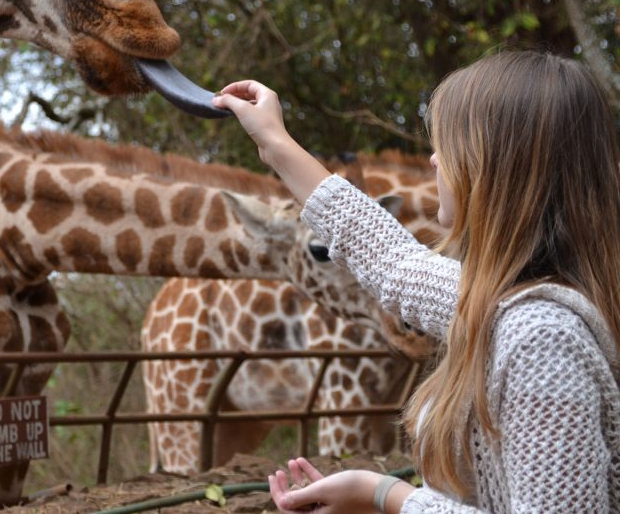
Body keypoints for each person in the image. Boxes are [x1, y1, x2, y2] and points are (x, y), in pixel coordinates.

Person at [210, 51, 620, 513]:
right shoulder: (506, 304)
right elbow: (393, 261)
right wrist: (275, 144)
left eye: (448, 146)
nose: (432, 159)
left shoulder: (542, 341)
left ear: (496, 172)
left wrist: (385, 495)